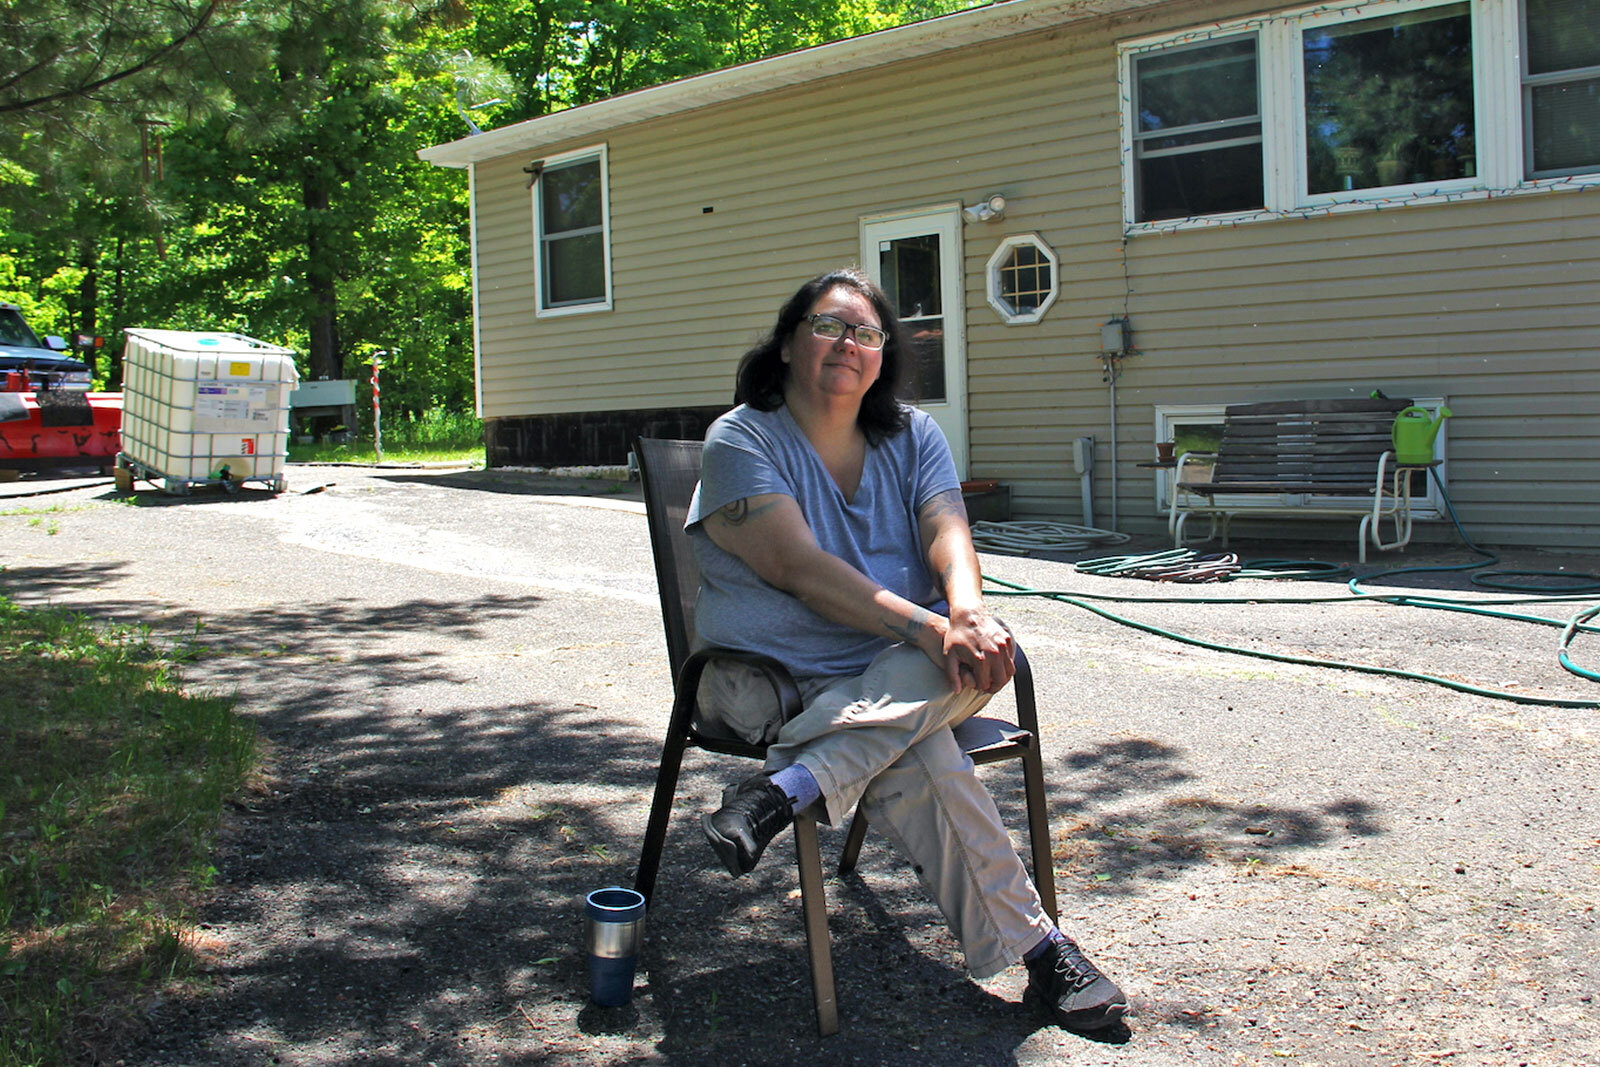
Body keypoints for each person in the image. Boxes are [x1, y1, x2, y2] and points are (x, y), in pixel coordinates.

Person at [683, 267, 1129, 1031]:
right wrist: (932, 630)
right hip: (768, 679)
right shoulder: (742, 438)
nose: (847, 344)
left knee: (983, 652)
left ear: (883, 355)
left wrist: (965, 610)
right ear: (788, 343)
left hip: (891, 673)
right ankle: (1041, 951)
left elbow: (947, 530)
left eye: (866, 333)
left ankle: (786, 790)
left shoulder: (914, 434)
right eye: (828, 326)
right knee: (924, 747)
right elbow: (796, 566)